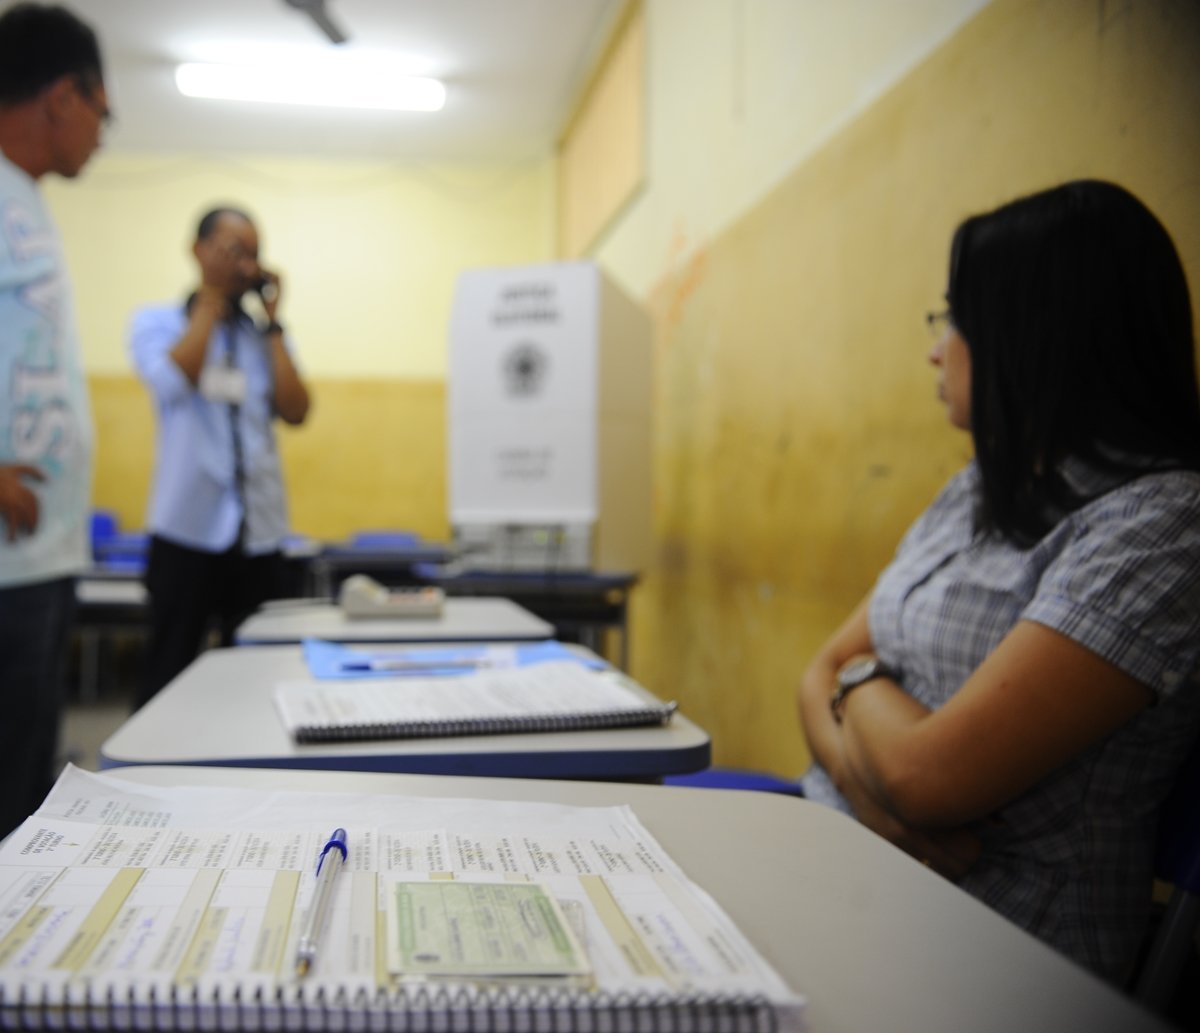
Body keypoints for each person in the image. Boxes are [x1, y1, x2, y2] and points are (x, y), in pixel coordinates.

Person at [797, 179, 1200, 983]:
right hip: (854, 861)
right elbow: (814, 672)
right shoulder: (982, 486)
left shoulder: (1162, 526)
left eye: (955, 318)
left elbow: (925, 775)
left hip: (995, 952)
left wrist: (861, 679)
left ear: (1035, 334)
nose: (935, 347)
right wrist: (870, 797)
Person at [0, 2, 109, 837]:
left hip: (42, 551)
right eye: (101, 112)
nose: (101, 136)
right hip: (9, 558)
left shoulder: (25, 201)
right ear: (64, 96)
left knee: (33, 776)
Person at [130, 206, 311, 707]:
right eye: (232, 251)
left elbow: (296, 410)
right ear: (198, 250)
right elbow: (171, 381)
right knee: (168, 672)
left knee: (259, 677)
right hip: (186, 530)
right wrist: (208, 301)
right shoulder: (157, 322)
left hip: (259, 533)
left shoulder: (263, 337)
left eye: (253, 254)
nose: (244, 266)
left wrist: (274, 324)